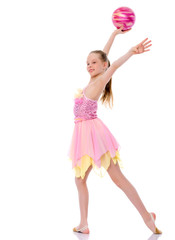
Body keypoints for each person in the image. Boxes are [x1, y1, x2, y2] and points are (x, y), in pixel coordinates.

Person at [68, 26, 162, 235]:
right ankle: (83, 223)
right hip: (83, 136)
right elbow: (104, 56)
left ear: (103, 67)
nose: (89, 65)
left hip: (94, 135)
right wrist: (113, 35)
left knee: (117, 178)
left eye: (94, 63)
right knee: (80, 179)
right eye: (87, 63)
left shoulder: (102, 79)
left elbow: (113, 64)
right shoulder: (93, 78)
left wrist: (130, 51)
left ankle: (147, 216)